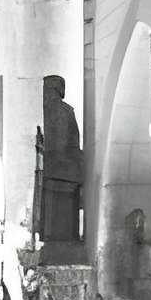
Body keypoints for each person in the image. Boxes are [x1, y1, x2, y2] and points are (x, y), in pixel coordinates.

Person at [31, 73, 85, 248]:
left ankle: (58, 240)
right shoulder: (61, 110)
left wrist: (46, 153)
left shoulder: (59, 111)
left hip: (61, 172)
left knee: (59, 216)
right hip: (60, 171)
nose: (44, 95)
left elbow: (60, 146)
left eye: (47, 90)